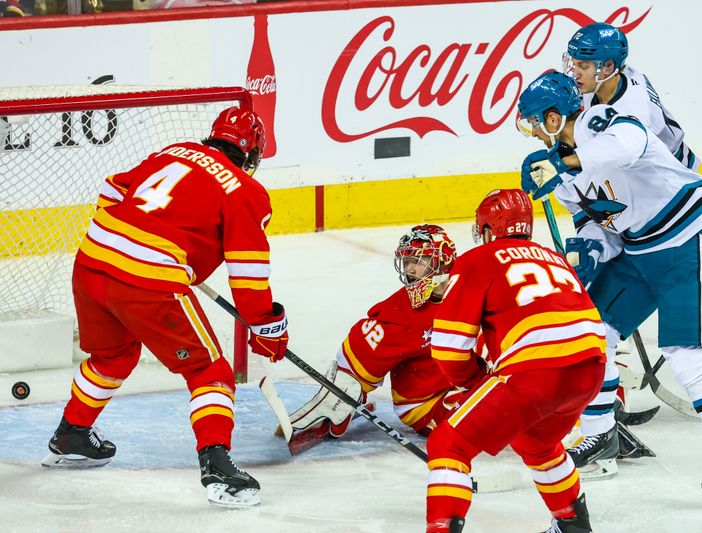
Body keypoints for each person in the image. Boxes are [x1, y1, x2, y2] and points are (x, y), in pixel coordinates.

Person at [516, 71, 702, 507]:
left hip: (688, 236)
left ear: (555, 118)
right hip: (638, 249)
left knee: (686, 354)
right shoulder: (558, 167)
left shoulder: (600, 122)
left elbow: (629, 143)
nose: (533, 133)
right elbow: (596, 223)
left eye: (535, 123)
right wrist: (588, 254)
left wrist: (567, 163)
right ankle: (602, 438)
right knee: (592, 331)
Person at [41, 107, 288, 508]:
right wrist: (266, 325)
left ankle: (71, 432)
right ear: (252, 153)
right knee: (209, 370)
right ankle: (217, 466)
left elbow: (112, 189)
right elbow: (248, 274)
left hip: (92, 261)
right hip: (148, 280)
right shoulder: (247, 191)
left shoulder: (173, 151)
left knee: (114, 356)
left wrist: (143, 238)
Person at [425, 188, 605, 533]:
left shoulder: (478, 259)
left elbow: (448, 348)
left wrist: (475, 381)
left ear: (489, 228)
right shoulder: (553, 257)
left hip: (534, 373)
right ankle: (573, 526)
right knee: (537, 444)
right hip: (590, 370)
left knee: (448, 444)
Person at [282, 224, 465, 454]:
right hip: (428, 402)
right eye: (406, 261)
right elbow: (360, 354)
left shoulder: (470, 287)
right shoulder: (401, 314)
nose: (409, 269)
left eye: (418, 261)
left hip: (463, 381)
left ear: (443, 260)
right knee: (489, 410)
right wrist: (342, 397)